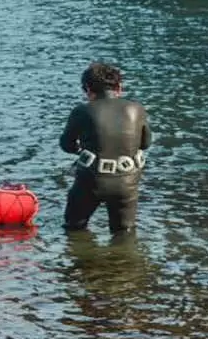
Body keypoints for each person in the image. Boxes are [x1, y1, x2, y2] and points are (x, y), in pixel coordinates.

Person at [59, 61, 150, 233]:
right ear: (119, 87)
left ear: (87, 89)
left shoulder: (82, 111)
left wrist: (79, 150)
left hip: (91, 181)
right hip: (126, 182)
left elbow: (66, 145)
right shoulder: (137, 109)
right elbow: (145, 144)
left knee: (74, 227)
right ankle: (122, 258)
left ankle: (80, 255)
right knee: (124, 233)